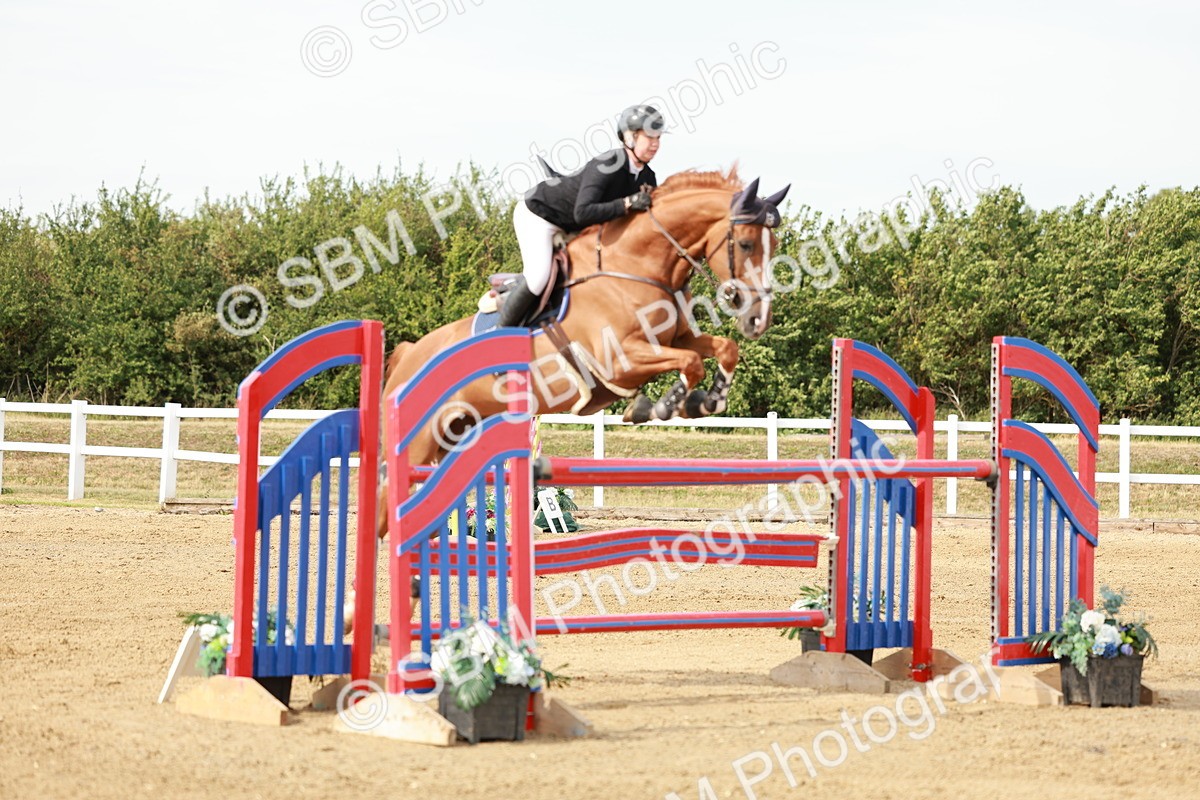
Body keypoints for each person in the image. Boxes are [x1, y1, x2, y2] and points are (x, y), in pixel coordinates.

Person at [500, 104, 665, 327]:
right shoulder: (607, 164)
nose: (655, 144)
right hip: (541, 215)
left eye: (658, 138)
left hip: (575, 227)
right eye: (650, 137)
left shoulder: (647, 177)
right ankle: (501, 332)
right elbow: (583, 212)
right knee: (539, 276)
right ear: (631, 137)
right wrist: (627, 203)